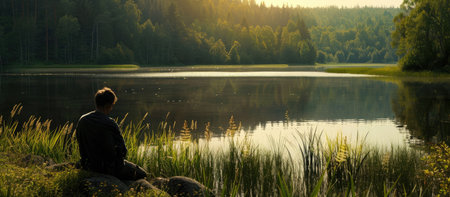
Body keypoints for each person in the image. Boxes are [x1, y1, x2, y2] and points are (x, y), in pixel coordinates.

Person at [76, 87, 147, 180]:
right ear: (108, 105)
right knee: (143, 174)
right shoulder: (110, 123)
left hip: (87, 165)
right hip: (109, 169)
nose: (111, 108)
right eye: (112, 105)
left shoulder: (83, 119)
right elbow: (123, 150)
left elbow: (79, 142)